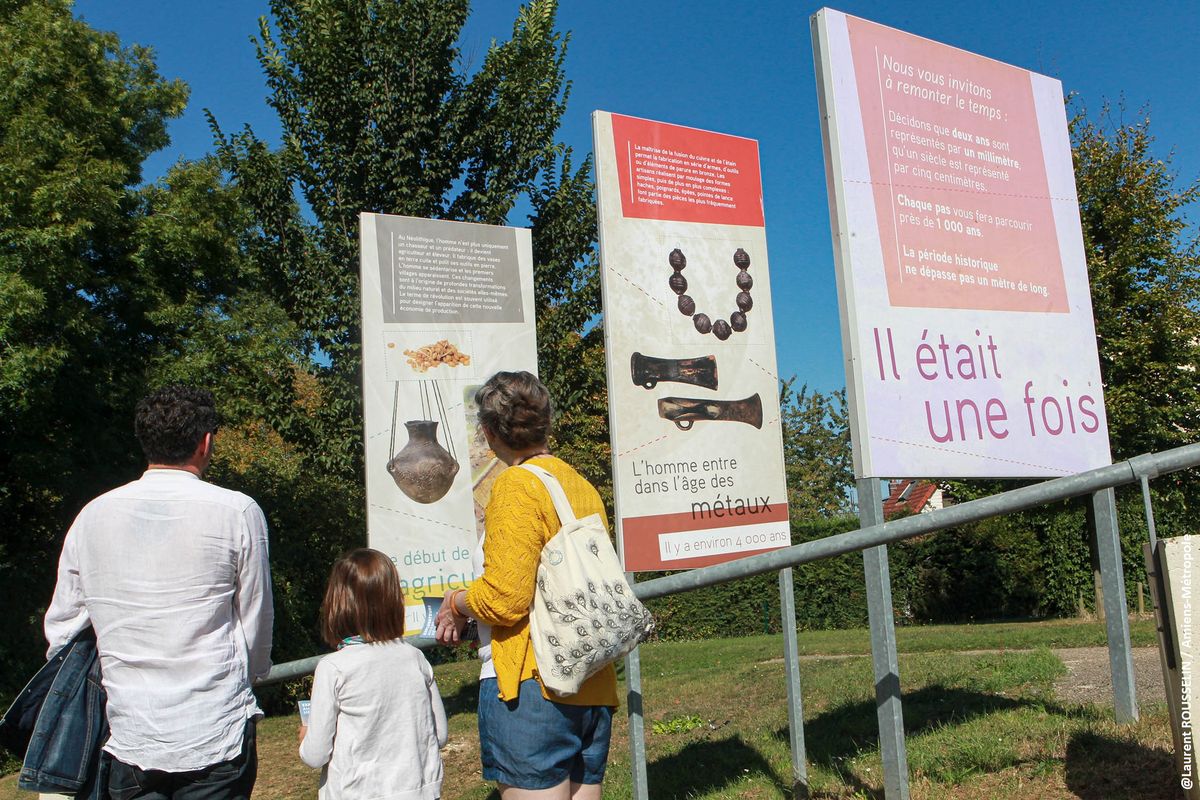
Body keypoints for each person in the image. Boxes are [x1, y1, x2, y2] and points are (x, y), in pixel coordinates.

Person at [44, 384, 274, 800]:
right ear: (205, 443)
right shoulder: (238, 511)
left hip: (129, 731)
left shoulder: (92, 515)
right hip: (215, 727)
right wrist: (253, 675)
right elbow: (255, 618)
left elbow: (63, 627)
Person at [435, 371, 617, 800]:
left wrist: (457, 603)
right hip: (592, 679)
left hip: (534, 686)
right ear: (547, 421)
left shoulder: (516, 486)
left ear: (487, 432)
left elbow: (505, 600)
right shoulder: (580, 485)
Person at [299, 549, 447, 800]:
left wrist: (305, 737)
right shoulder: (414, 657)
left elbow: (316, 754)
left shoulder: (333, 667)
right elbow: (439, 735)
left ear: (336, 602)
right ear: (394, 600)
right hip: (419, 790)